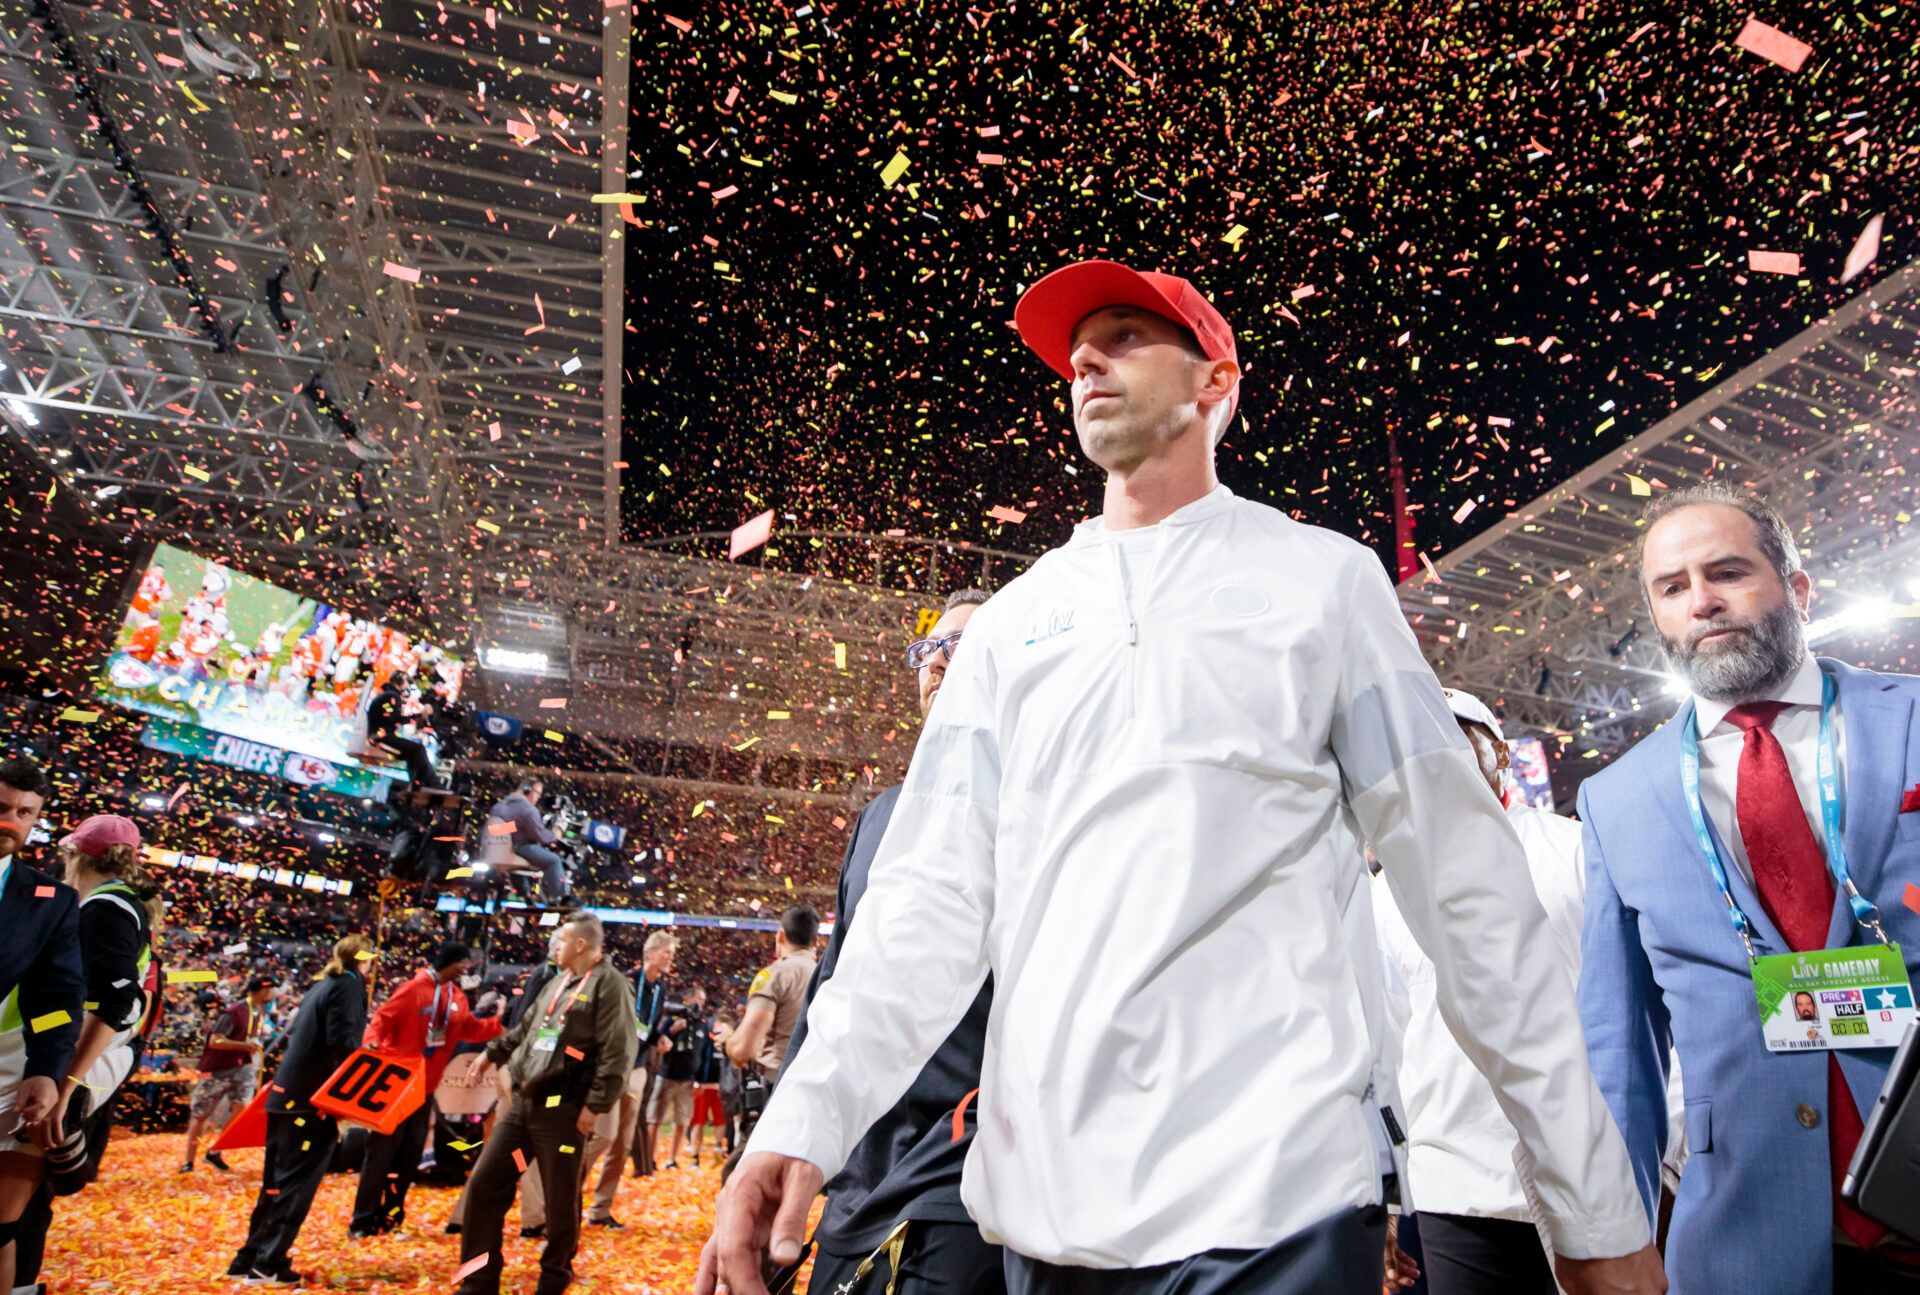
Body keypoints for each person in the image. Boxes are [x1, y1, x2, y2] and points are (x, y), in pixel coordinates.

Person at [701, 261, 1663, 1295]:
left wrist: (1591, 1201)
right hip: (1048, 1216)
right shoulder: (1013, 625)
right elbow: (921, 912)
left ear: (1215, 380)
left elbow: (1470, 899)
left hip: (1278, 1202)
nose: (1083, 359)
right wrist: (805, 1118)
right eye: (1078, 348)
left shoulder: (1324, 583)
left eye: (1122, 336)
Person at [1578, 482, 1920, 1295]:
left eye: (1727, 571)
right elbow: (1619, 1053)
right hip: (1745, 1248)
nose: (1701, 601)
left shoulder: (1909, 715)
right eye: (1672, 587)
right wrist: (1611, 1239)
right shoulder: (1616, 798)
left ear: (1797, 588)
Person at [793, 588, 1005, 1295]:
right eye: (930, 646)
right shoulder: (879, 815)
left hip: (967, 1177)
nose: (940, 659)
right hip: (860, 1177)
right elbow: (834, 985)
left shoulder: (1043, 802)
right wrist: (786, 1141)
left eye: (966, 643)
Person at [1375, 690, 1584, 1295]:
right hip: (1455, 1184)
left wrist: (1670, 1157)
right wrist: (1387, 1202)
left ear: (1498, 752)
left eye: (1455, 733)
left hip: (1595, 1167)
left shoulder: (1572, 851)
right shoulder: (1384, 892)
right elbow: (1382, 1051)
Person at [456, 911, 636, 1295]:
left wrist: (595, 1106)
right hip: (523, 1103)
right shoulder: (558, 981)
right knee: (485, 1187)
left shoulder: (610, 986)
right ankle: (477, 1281)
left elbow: (618, 1051)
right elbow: (526, 1030)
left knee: (559, 1201)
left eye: (562, 940)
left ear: (581, 944)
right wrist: (491, 1055)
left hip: (564, 1108)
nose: (556, 945)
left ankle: (553, 1280)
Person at [227, 933, 375, 1284]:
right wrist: (343, 1100)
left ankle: (247, 1258)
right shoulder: (351, 986)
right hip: (311, 1102)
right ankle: (268, 1263)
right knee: (296, 1184)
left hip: (285, 1096)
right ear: (365, 959)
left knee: (275, 1185)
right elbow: (344, 1043)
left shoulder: (322, 984)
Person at [349, 940, 501, 1237]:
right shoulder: (411, 989)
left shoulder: (457, 996)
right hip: (397, 1088)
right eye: (463, 964)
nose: (466, 971)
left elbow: (469, 1027)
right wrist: (371, 1041)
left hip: (425, 1091)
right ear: (450, 962)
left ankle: (391, 1218)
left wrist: (499, 1025)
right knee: (380, 1156)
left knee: (408, 1158)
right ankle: (362, 1220)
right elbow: (383, 1018)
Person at [0, 756, 82, 1295]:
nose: (10, 821)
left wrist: (48, 1068)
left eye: (25, 813)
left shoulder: (50, 900)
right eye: (2, 807)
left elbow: (53, 998)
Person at [448, 927, 568, 1240]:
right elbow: (521, 1028)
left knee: (508, 1150)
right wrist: (506, 1068)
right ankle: (531, 1219)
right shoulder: (545, 978)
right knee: (519, 1151)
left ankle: (464, 1215)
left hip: (526, 1074)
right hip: (522, 1076)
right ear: (557, 949)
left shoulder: (553, 979)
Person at [582, 929, 676, 1227]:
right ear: (649, 954)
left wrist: (660, 1038)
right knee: (603, 1136)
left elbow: (647, 1027)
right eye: (667, 953)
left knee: (622, 1142)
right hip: (613, 1064)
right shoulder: (625, 981)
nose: (670, 959)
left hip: (636, 1067)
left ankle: (600, 1209)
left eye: (672, 954)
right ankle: (565, 1189)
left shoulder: (662, 988)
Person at [181, 974, 277, 1173]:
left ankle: (215, 1151)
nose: (273, 993)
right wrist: (245, 1045)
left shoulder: (258, 1011)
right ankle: (188, 1161)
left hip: (243, 1068)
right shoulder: (234, 1011)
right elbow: (215, 1041)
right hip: (218, 1070)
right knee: (201, 1114)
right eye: (270, 989)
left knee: (241, 1107)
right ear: (261, 990)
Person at [722, 906, 819, 1087]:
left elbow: (743, 1050)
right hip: (814, 1084)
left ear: (780, 936)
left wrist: (728, 1041)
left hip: (777, 1084)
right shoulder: (827, 976)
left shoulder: (776, 975)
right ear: (815, 941)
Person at [652, 986, 712, 1171]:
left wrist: (701, 1079)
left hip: (688, 1080)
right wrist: (671, 1031)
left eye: (703, 1000)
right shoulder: (673, 1018)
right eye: (698, 999)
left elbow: (705, 1053)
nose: (701, 1003)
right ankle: (649, 1159)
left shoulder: (702, 1024)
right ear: (688, 998)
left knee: (681, 1122)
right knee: (655, 1119)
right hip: (667, 1075)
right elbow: (658, 1040)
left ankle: (672, 1159)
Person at [488, 779, 569, 901]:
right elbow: (540, 835)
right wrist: (556, 836)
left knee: (519, 865)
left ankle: (524, 894)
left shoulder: (499, 806)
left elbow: (499, 828)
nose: (538, 797)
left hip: (499, 847)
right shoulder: (528, 809)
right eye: (537, 793)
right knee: (554, 860)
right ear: (527, 790)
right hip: (519, 847)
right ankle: (563, 898)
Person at [367, 676, 440, 788]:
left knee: (410, 754)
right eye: (406, 682)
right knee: (418, 749)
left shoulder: (387, 695)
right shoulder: (392, 696)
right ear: (399, 682)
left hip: (379, 735)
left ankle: (418, 784)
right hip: (382, 736)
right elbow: (395, 719)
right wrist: (419, 716)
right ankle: (431, 784)